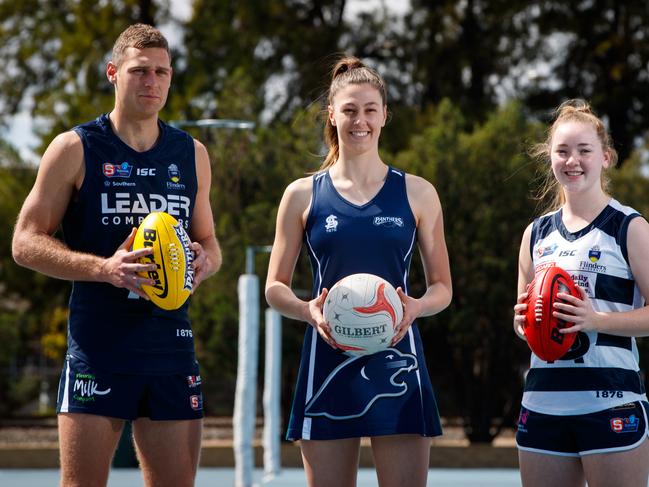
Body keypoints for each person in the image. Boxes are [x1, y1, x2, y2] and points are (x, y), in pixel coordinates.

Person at [11, 24, 221, 487]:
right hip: (99, 348)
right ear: (113, 73)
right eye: (139, 71)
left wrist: (204, 262)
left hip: (171, 347)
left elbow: (209, 243)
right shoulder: (75, 148)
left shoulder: (191, 153)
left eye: (161, 72)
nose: (152, 82)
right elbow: (24, 242)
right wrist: (102, 269)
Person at [265, 56, 452, 487]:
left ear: (385, 115)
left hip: (399, 358)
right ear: (332, 115)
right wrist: (306, 309)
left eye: (370, 110)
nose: (360, 120)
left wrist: (418, 306)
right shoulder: (301, 195)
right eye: (349, 110)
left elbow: (443, 287)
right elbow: (275, 287)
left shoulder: (418, 193)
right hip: (326, 361)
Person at [512, 99, 649, 487]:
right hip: (542, 405)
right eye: (562, 151)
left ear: (605, 157)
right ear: (550, 158)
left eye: (584, 150)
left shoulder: (629, 227)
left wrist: (596, 320)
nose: (573, 160)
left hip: (610, 402)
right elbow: (522, 319)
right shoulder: (536, 233)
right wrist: (523, 324)